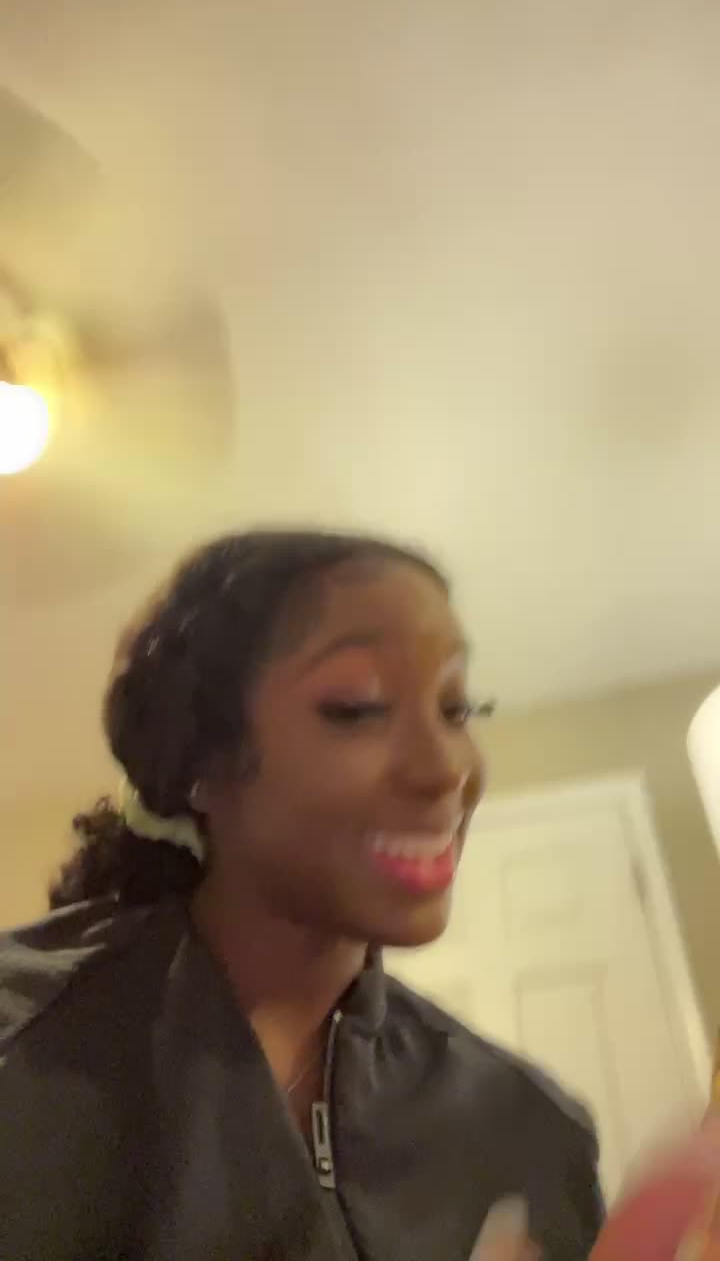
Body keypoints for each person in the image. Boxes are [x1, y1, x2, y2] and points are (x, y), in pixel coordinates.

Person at [0, 529, 603, 1260]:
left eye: (457, 709)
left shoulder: (532, 1134)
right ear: (202, 762)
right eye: (358, 706)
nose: (447, 768)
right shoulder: (22, 1042)